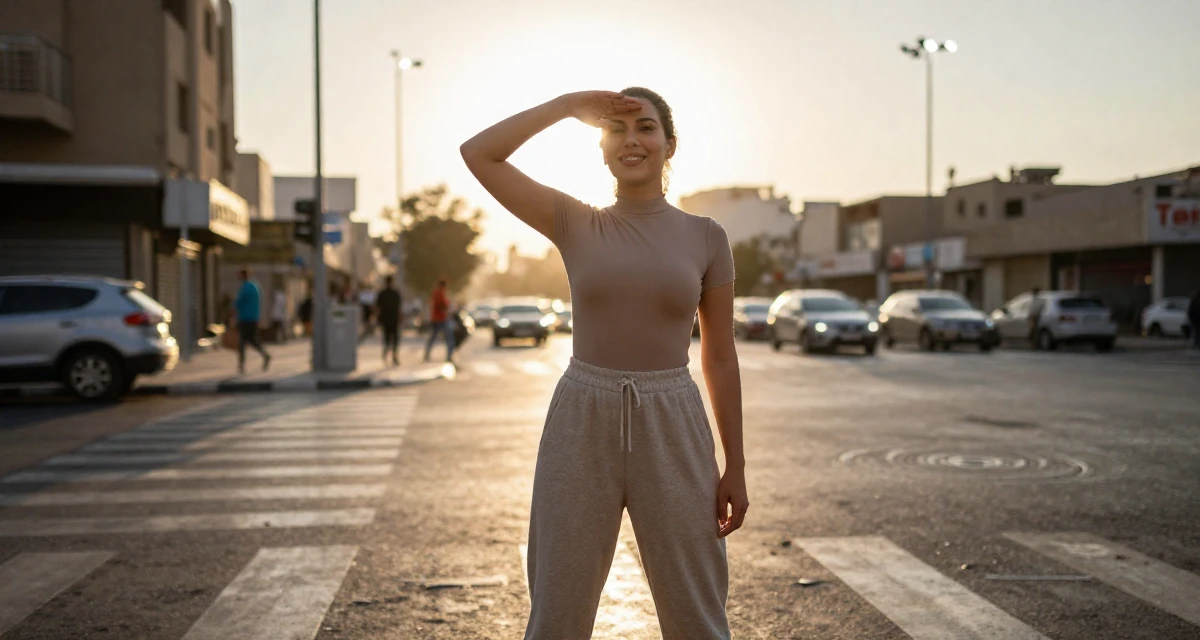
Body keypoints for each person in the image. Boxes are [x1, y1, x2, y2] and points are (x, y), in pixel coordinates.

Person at [462, 88, 746, 639]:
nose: (631, 140)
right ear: (600, 146)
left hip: (674, 420)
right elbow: (480, 154)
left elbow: (720, 354)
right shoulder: (575, 222)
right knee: (557, 613)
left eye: (644, 127)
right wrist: (566, 106)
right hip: (580, 418)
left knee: (698, 616)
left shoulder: (707, 237)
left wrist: (734, 464)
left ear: (669, 144)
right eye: (616, 130)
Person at [234, 268, 270, 374]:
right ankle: (264, 356)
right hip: (254, 318)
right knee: (251, 340)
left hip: (244, 318)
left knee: (243, 341)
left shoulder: (245, 288)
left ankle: (242, 364)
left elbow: (238, 303)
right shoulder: (255, 287)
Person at [423, 279, 455, 362]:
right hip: (441, 319)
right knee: (449, 337)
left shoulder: (437, 293)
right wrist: (446, 309)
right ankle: (449, 356)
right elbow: (441, 305)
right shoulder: (440, 293)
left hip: (436, 318)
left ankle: (427, 354)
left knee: (433, 337)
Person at [376, 275, 403, 365]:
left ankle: (387, 355)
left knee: (387, 338)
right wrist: (400, 318)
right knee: (394, 339)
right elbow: (399, 308)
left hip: (386, 319)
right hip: (393, 319)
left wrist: (378, 318)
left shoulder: (382, 293)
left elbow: (378, 307)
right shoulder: (395, 293)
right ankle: (393, 357)